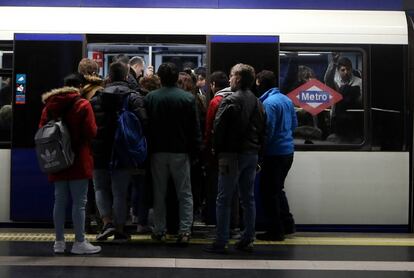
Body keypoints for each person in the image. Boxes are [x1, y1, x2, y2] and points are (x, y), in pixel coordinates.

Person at [204, 64, 266, 253]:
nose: (229, 79)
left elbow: (219, 129)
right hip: (251, 154)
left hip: (231, 156)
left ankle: (221, 241)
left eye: (231, 76)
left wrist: (216, 150)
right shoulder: (257, 102)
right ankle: (248, 238)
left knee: (224, 199)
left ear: (238, 79)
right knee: (248, 198)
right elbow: (263, 130)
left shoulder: (229, 100)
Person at [38, 77, 101, 254]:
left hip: (57, 159)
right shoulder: (83, 105)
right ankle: (79, 242)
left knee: (59, 200)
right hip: (78, 159)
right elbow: (92, 131)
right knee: (79, 203)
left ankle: (59, 242)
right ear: (80, 86)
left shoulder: (49, 106)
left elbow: (41, 130)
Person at [144, 62, 201, 246]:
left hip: (157, 151)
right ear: (177, 78)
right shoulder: (187, 98)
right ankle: (185, 230)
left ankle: (159, 230)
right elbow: (194, 129)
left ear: (159, 78)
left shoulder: (151, 97)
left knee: (159, 193)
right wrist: (196, 152)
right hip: (180, 151)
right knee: (184, 193)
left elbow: (146, 126)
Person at [91, 61, 147, 242]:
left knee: (100, 188)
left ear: (109, 76)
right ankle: (120, 228)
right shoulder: (134, 97)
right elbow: (144, 123)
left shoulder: (96, 98)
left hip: (99, 151)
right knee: (120, 192)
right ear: (125, 77)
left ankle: (107, 223)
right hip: (123, 152)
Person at [256, 70, 297, 241]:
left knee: (268, 191)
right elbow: (294, 124)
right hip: (288, 151)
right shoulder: (286, 99)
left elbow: (268, 130)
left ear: (260, 83)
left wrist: (260, 151)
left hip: (274, 153)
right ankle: (287, 224)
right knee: (277, 189)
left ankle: (275, 230)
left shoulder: (269, 104)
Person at [324, 54, 362, 142]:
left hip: (354, 119)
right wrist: (333, 62)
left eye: (348, 69)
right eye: (343, 70)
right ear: (338, 71)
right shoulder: (336, 82)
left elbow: (362, 100)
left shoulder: (359, 82)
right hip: (337, 119)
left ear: (351, 69)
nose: (346, 72)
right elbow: (327, 80)